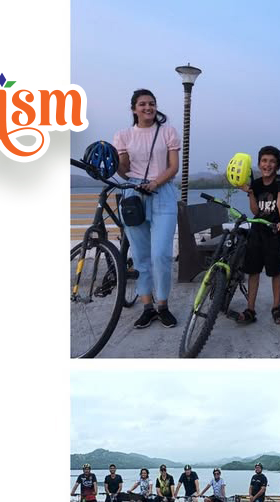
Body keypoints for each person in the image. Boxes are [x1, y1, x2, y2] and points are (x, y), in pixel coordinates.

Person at [112, 88, 180, 328]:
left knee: (160, 254)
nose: (148, 107)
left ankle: (163, 305)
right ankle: (147, 306)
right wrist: (117, 165)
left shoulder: (167, 132)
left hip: (163, 194)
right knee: (140, 256)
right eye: (142, 104)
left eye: (151, 103)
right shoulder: (123, 135)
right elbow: (124, 170)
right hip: (132, 197)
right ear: (134, 109)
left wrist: (155, 183)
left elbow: (173, 167)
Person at [236, 146, 280, 326]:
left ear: (277, 165)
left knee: (275, 271)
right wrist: (250, 193)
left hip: (275, 232)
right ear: (259, 163)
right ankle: (250, 309)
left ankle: (276, 307)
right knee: (253, 271)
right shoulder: (257, 184)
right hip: (257, 232)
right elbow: (255, 211)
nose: (268, 165)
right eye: (264, 161)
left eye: (272, 161)